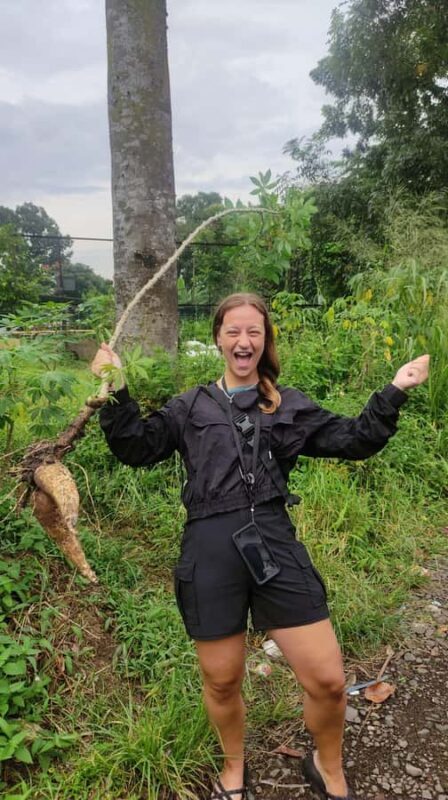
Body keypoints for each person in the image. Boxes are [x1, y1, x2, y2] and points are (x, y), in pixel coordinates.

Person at [91, 292, 429, 800]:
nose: (243, 341)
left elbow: (354, 439)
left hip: (273, 543)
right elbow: (137, 447)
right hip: (209, 548)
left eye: (254, 331)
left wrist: (395, 390)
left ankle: (327, 765)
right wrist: (114, 389)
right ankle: (233, 765)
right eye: (233, 331)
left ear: (265, 340)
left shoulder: (287, 405)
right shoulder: (190, 405)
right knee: (223, 680)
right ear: (218, 340)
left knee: (328, 680)